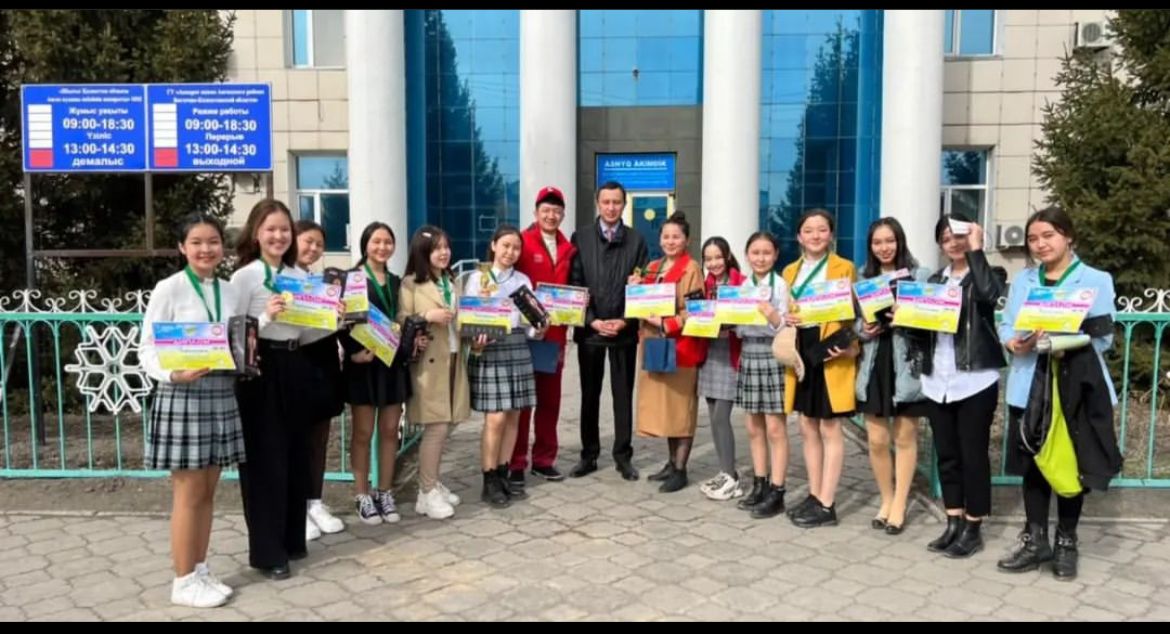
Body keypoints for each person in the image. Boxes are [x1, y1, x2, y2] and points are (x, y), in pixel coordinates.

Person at [995, 206, 1120, 580]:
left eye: (1048, 235)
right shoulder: (1024, 280)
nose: (1040, 244)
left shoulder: (1095, 280)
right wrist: (1013, 342)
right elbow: (1007, 324)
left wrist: (1062, 344)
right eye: (1033, 238)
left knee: (1069, 467)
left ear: (1068, 236)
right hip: (1028, 386)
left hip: (1074, 387)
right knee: (1033, 466)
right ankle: (1036, 541)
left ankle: (1067, 542)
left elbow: (1103, 338)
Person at [140, 213, 244, 607]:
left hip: (221, 391)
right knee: (188, 493)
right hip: (183, 394)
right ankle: (182, 581)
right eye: (197, 242)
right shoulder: (168, 289)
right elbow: (147, 348)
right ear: (182, 247)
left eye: (213, 241)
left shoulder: (229, 290)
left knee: (208, 490)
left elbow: (241, 335)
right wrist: (172, 374)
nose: (206, 249)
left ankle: (199, 568)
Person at [911, 213, 1006, 558]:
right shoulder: (935, 280)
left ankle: (973, 525)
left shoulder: (991, 273)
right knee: (947, 455)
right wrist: (905, 317)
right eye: (946, 238)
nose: (953, 243)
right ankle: (953, 520)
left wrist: (977, 250)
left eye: (959, 235)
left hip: (974, 380)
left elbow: (988, 296)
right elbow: (921, 328)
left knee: (973, 455)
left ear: (972, 236)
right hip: (938, 379)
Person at [782, 209, 859, 528]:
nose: (815, 235)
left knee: (830, 426)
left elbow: (852, 313)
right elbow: (787, 308)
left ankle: (828, 503)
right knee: (807, 425)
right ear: (799, 237)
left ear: (831, 234)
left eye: (822, 229)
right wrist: (786, 317)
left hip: (829, 348)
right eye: (809, 230)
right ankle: (815, 494)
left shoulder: (844, 267)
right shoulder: (789, 271)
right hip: (801, 348)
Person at [854, 218, 932, 535]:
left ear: (900, 242)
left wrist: (909, 314)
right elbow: (853, 323)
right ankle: (886, 499)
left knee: (904, 437)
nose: (884, 247)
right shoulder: (863, 277)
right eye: (877, 242)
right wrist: (863, 328)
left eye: (890, 241)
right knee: (876, 439)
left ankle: (900, 503)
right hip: (874, 363)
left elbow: (933, 320)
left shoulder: (920, 275)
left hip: (907, 364)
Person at [568, 180, 649, 481]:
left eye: (617, 202)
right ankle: (588, 455)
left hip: (623, 332)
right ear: (597, 203)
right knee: (589, 395)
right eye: (606, 202)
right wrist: (591, 320)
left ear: (624, 205)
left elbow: (641, 286)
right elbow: (575, 283)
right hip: (591, 331)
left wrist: (626, 320)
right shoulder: (581, 238)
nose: (611, 207)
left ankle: (623, 456)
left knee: (622, 396)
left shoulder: (637, 240)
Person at [466, 225, 546, 507]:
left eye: (516, 248)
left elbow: (530, 323)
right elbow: (469, 317)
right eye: (505, 246)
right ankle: (488, 478)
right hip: (491, 348)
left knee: (514, 416)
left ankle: (503, 473)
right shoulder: (477, 278)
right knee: (496, 418)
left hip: (518, 346)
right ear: (493, 245)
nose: (510, 252)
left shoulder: (523, 280)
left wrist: (540, 328)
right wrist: (477, 334)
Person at [339, 222, 413, 525]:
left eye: (387, 242)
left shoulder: (397, 282)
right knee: (363, 432)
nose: (382, 247)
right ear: (365, 244)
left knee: (390, 430)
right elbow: (340, 320)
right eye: (376, 241)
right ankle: (361, 494)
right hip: (364, 364)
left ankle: (385, 491)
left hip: (391, 363)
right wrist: (352, 352)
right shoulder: (352, 279)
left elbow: (403, 319)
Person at [508, 185, 577, 488]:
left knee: (550, 401)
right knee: (523, 402)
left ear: (563, 214)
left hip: (554, 336)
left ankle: (544, 459)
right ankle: (515, 461)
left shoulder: (568, 247)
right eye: (546, 210)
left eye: (556, 211)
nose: (551, 215)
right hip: (525, 336)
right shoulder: (521, 242)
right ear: (536, 212)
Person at [401, 225, 469, 519]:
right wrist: (428, 315)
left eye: (446, 247)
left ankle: (432, 482)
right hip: (429, 363)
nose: (444, 253)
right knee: (436, 427)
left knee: (450, 421)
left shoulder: (451, 280)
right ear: (423, 252)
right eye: (437, 248)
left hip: (453, 357)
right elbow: (401, 319)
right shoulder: (411, 283)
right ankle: (426, 492)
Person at [633, 212, 705, 493]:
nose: (670, 241)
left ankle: (681, 469)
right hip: (655, 344)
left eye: (676, 236)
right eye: (666, 236)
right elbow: (640, 303)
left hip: (680, 346)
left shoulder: (692, 269)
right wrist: (635, 290)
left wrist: (667, 323)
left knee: (680, 408)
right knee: (666, 408)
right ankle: (671, 462)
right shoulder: (652, 267)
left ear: (686, 240)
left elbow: (696, 310)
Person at [292, 220, 346, 541]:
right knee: (298, 438)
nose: (313, 249)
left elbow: (329, 325)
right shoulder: (284, 280)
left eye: (319, 244)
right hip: (298, 362)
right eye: (307, 242)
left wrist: (340, 315)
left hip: (323, 361)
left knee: (320, 437)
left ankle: (315, 501)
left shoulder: (320, 282)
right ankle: (297, 507)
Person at [733, 231, 791, 518]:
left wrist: (772, 316)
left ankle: (778, 491)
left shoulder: (781, 286)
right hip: (748, 352)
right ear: (747, 255)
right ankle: (760, 483)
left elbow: (786, 326)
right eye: (755, 253)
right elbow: (737, 328)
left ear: (776, 255)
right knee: (753, 427)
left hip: (772, 354)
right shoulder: (742, 288)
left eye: (767, 253)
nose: (761, 258)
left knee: (775, 428)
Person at [696, 236, 747, 501]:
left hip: (730, 355)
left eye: (718, 257)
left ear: (727, 256)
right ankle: (724, 472)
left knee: (720, 418)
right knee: (712, 414)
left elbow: (748, 318)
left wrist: (732, 325)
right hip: (710, 355)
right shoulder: (704, 285)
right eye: (708, 259)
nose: (714, 263)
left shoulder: (741, 284)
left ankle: (732, 477)